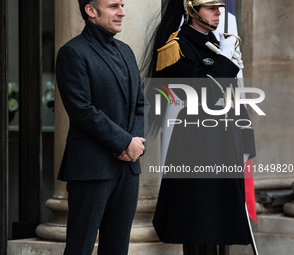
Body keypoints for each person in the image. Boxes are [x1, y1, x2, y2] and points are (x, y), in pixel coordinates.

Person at [143, 0, 257, 254]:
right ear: (192, 11)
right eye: (211, 8)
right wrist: (226, 58)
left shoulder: (217, 42)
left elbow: (233, 97)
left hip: (223, 141)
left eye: (220, 7)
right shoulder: (178, 46)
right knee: (198, 222)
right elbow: (203, 91)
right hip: (195, 144)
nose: (219, 13)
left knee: (220, 221)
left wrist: (246, 138)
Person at [55, 0, 146, 254]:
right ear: (91, 11)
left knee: (118, 249)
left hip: (127, 169)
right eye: (114, 6)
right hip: (91, 169)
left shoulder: (126, 50)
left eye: (122, 5)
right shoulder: (72, 52)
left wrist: (135, 144)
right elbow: (82, 110)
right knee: (79, 248)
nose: (122, 12)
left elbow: (140, 104)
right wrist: (123, 143)